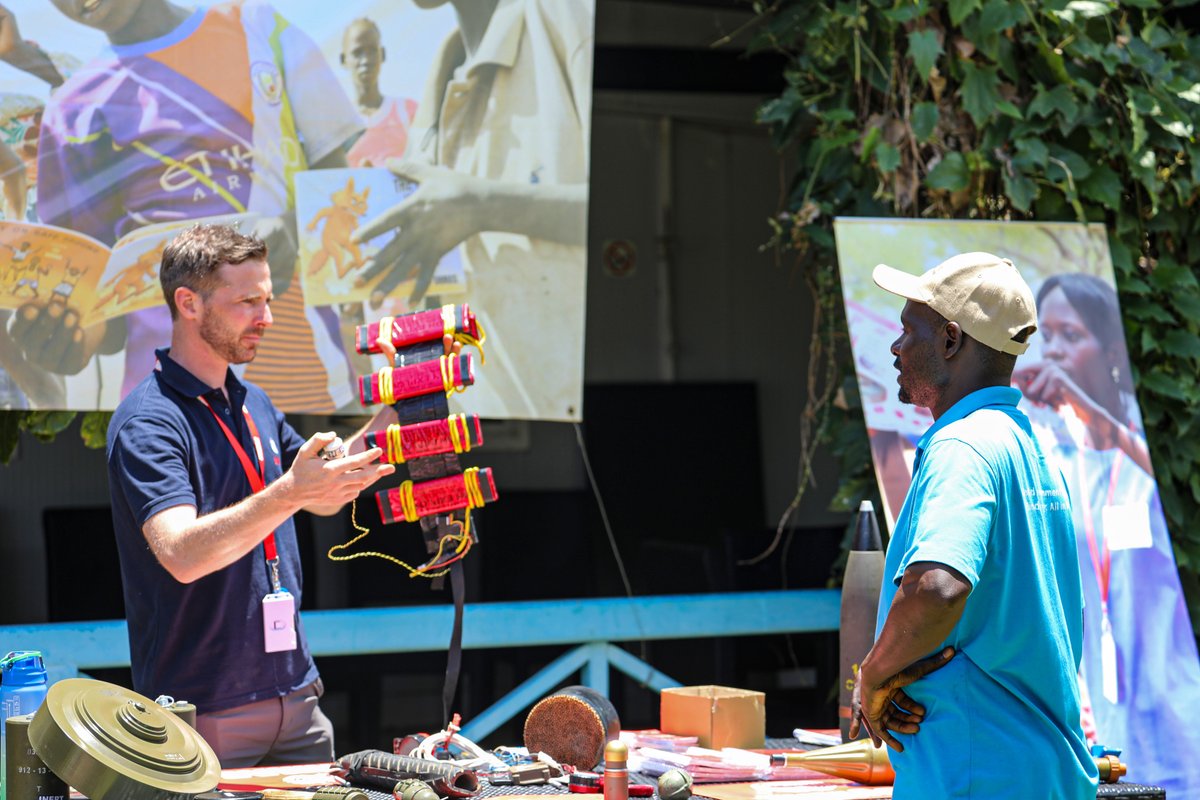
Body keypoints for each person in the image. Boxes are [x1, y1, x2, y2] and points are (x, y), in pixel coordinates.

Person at [106, 224, 397, 767]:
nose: (266, 317)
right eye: (247, 302)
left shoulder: (252, 400)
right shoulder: (149, 421)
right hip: (204, 712)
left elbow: (325, 494)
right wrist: (289, 490)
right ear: (188, 303)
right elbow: (182, 555)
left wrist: (405, 399)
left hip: (298, 697)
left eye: (267, 299)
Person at [10, 0, 361, 411]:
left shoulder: (260, 30)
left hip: (307, 382)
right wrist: (65, 338)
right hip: (171, 408)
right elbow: (100, 309)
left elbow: (341, 188)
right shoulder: (71, 111)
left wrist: (293, 226)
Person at [850, 252, 1097, 799]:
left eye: (907, 330)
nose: (895, 347)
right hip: (1043, 770)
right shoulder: (1030, 447)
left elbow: (939, 587)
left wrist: (872, 677)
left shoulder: (962, 445)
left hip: (975, 772)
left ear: (950, 341)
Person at [353, 0, 592, 420]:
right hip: (464, 426)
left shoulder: (568, 19)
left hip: (568, 424)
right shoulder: (442, 74)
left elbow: (630, 217)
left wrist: (483, 206)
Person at [1015, 273, 1200, 796]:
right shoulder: (1044, 447)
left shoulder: (1146, 436)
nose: (1054, 351)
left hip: (1168, 695)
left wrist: (1092, 413)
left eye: (1071, 336)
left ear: (1111, 348)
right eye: (1045, 336)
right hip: (1085, 700)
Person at [340, 17, 419, 169]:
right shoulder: (339, 127)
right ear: (344, 60)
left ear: (382, 54)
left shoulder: (408, 112)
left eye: (372, 51)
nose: (366, 60)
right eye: (357, 52)